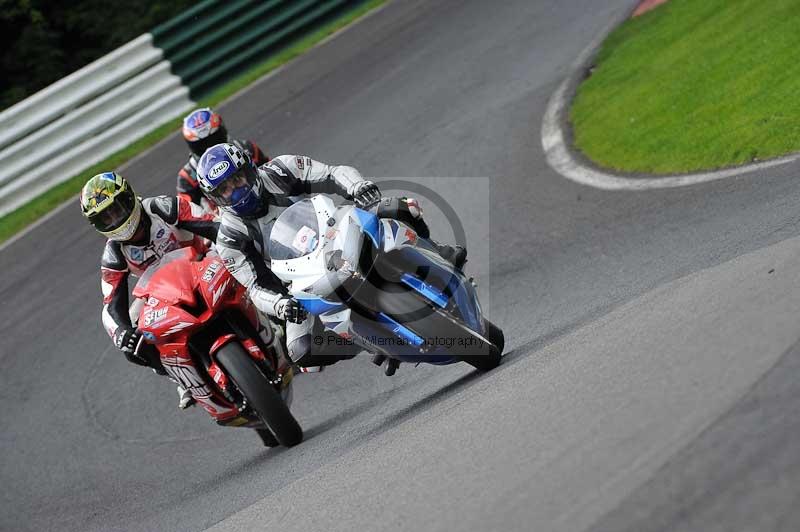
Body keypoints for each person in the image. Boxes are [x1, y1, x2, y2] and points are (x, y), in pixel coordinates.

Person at [195, 142, 466, 369]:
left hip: (338, 230)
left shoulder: (281, 169)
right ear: (215, 198)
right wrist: (280, 305)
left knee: (397, 207)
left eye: (237, 180)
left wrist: (358, 187)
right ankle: (372, 343)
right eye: (225, 190)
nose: (236, 192)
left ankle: (437, 250)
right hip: (300, 279)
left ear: (250, 170)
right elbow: (255, 287)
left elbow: (332, 174)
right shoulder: (229, 238)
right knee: (300, 350)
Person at [79, 172, 220, 407]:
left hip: (201, 263)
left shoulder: (161, 207)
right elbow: (111, 305)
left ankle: (271, 317)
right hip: (163, 294)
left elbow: (210, 222)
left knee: (237, 257)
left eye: (116, 210)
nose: (115, 220)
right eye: (106, 218)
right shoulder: (113, 254)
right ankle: (184, 379)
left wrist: (225, 245)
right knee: (132, 344)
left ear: (129, 198)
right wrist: (122, 332)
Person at [178, 107, 267, 211]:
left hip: (261, 198)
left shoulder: (245, 148)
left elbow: (269, 171)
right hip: (221, 215)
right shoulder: (187, 176)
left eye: (214, 139)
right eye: (201, 145)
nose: (210, 148)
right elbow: (186, 212)